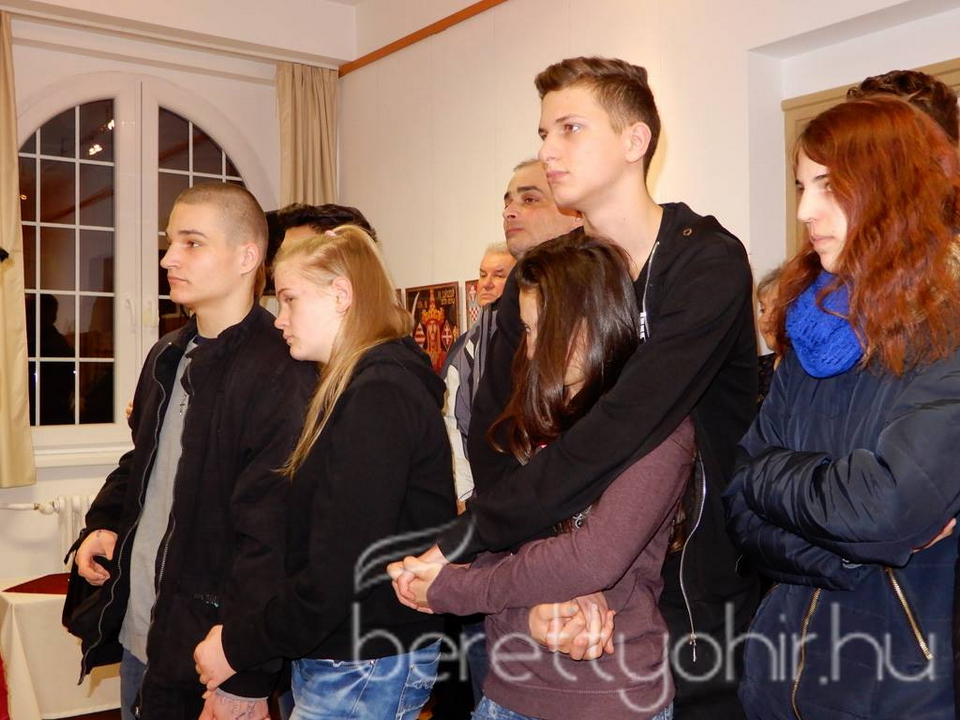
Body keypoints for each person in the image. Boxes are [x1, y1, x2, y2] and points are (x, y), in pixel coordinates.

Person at [394, 56, 759, 718]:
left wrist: (475, 539)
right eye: (543, 133)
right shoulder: (543, 276)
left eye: (570, 128)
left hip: (686, 587)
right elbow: (496, 436)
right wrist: (550, 576)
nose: (547, 151)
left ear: (634, 139)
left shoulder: (704, 262)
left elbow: (628, 424)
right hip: (546, 588)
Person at [725, 96, 960, 720]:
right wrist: (849, 549)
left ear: (892, 187)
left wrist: (770, 477)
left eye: (829, 185)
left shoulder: (949, 329)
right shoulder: (810, 330)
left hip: (902, 689)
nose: (805, 210)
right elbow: (740, 506)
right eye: (802, 187)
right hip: (778, 684)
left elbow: (886, 509)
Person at [394, 233, 692, 719]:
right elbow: (502, 541)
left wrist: (451, 588)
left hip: (611, 699)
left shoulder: (659, 431)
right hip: (508, 690)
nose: (530, 352)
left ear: (588, 325)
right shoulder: (534, 417)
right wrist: (527, 611)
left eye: (539, 331)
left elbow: (592, 559)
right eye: (527, 331)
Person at [66, 182, 316, 720]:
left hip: (213, 649)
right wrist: (101, 524)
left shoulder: (282, 370)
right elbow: (143, 461)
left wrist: (245, 675)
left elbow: (273, 538)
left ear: (248, 257)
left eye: (192, 243)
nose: (168, 258)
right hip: (143, 628)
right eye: (170, 241)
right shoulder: (167, 353)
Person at [192, 225, 457, 720]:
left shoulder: (379, 394)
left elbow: (340, 568)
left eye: (290, 299)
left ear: (341, 295)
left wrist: (239, 646)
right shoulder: (354, 387)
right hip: (346, 653)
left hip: (366, 659)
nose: (280, 319)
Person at [755, 265, 782, 407]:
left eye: (777, 308)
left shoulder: (813, 371)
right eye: (763, 309)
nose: (766, 319)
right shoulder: (756, 369)